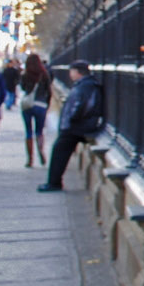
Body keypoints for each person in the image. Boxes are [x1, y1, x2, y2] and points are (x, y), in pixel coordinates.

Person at [37, 60, 105, 192]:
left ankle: (54, 183)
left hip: (76, 127)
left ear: (78, 72)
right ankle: (54, 182)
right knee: (59, 151)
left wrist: (73, 119)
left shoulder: (86, 86)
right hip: (77, 125)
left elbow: (82, 105)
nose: (70, 74)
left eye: (72, 71)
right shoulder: (85, 84)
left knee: (59, 151)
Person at [19, 52, 54, 168]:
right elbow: (49, 92)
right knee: (39, 131)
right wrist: (47, 105)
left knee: (28, 131)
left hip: (27, 105)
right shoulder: (44, 74)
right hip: (41, 104)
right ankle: (40, 150)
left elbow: (23, 88)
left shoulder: (25, 74)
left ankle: (30, 159)